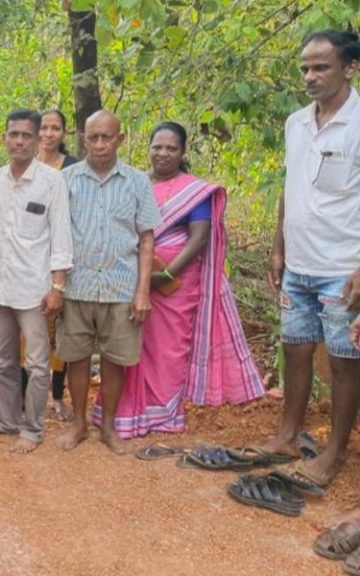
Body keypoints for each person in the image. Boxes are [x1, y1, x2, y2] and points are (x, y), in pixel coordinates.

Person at [98, 121, 264, 438]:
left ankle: (164, 412)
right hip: (133, 276)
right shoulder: (134, 183)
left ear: (182, 151)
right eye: (157, 146)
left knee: (168, 348)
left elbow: (198, 238)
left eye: (171, 148)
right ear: (147, 149)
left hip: (176, 283)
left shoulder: (194, 191)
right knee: (129, 342)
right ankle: (123, 411)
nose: (163, 153)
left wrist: (167, 274)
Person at [262, 29, 360, 493]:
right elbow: (291, 186)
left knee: (344, 361)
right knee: (295, 349)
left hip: (344, 266)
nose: (310, 76)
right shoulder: (296, 122)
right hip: (298, 264)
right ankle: (286, 435)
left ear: (349, 68)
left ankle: (334, 451)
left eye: (321, 66)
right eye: (304, 67)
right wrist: (279, 246)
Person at [56, 109, 161, 455]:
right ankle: (79, 424)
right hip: (77, 285)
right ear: (82, 138)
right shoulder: (67, 180)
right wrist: (55, 285)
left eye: (106, 137)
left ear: (121, 138)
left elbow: (147, 238)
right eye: (92, 137)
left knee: (116, 357)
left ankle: (109, 426)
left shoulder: (137, 182)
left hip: (121, 287)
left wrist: (142, 291)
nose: (99, 144)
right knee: (77, 356)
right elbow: (56, 237)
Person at [0, 109, 73, 453]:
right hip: (0, 286)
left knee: (36, 363)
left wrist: (57, 287)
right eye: (13, 134)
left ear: (37, 140)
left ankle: (32, 429)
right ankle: (5, 420)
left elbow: (61, 238)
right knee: (1, 360)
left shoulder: (51, 181)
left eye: (26, 136)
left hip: (34, 290)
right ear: (4, 138)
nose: (19, 141)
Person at [33, 108, 79, 420]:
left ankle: (58, 395)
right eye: (44, 128)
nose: (49, 134)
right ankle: (27, 395)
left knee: (59, 328)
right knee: (31, 325)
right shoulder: (26, 163)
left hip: (62, 255)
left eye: (55, 128)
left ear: (64, 133)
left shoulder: (72, 168)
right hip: (31, 256)